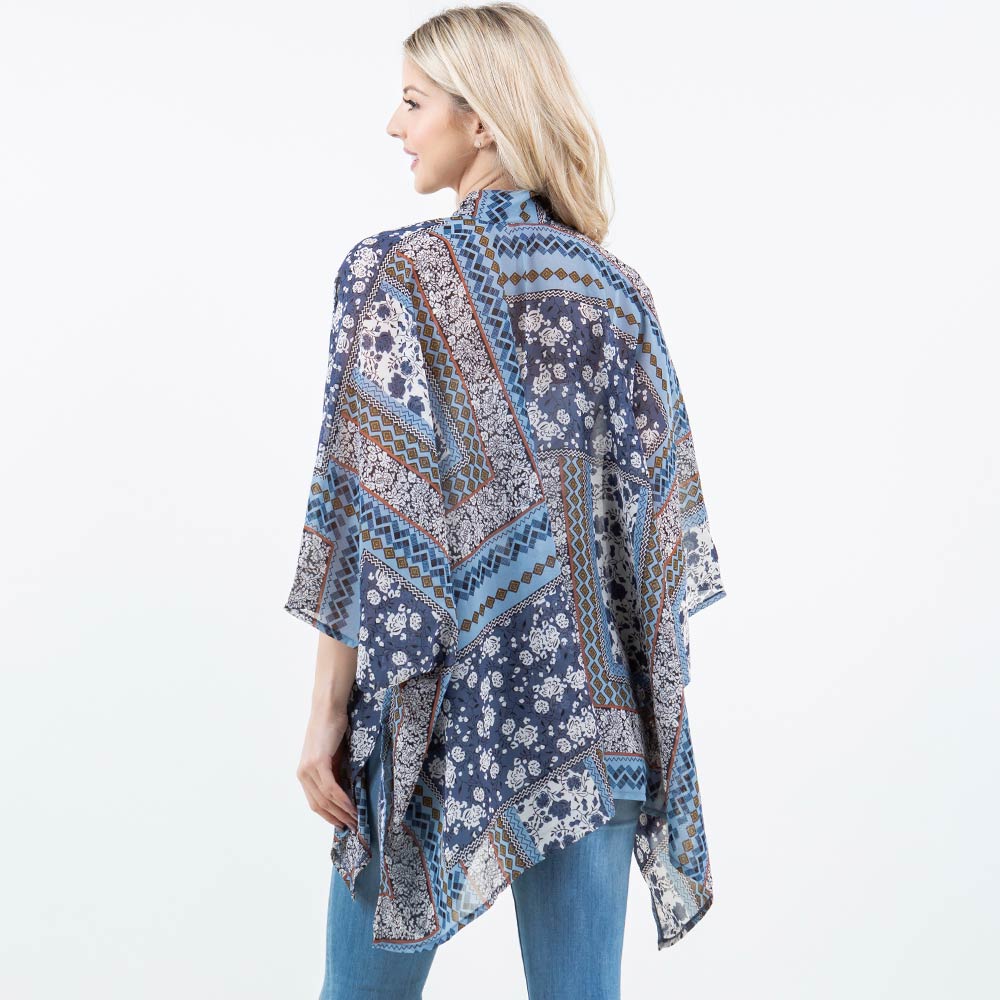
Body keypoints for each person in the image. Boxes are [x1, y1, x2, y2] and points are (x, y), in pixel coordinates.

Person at [283, 5, 727, 998]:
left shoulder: (393, 273)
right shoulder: (617, 291)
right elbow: (659, 536)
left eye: (412, 102)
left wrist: (325, 712)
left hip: (433, 700)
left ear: (480, 120)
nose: (394, 126)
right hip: (596, 716)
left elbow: (356, 512)